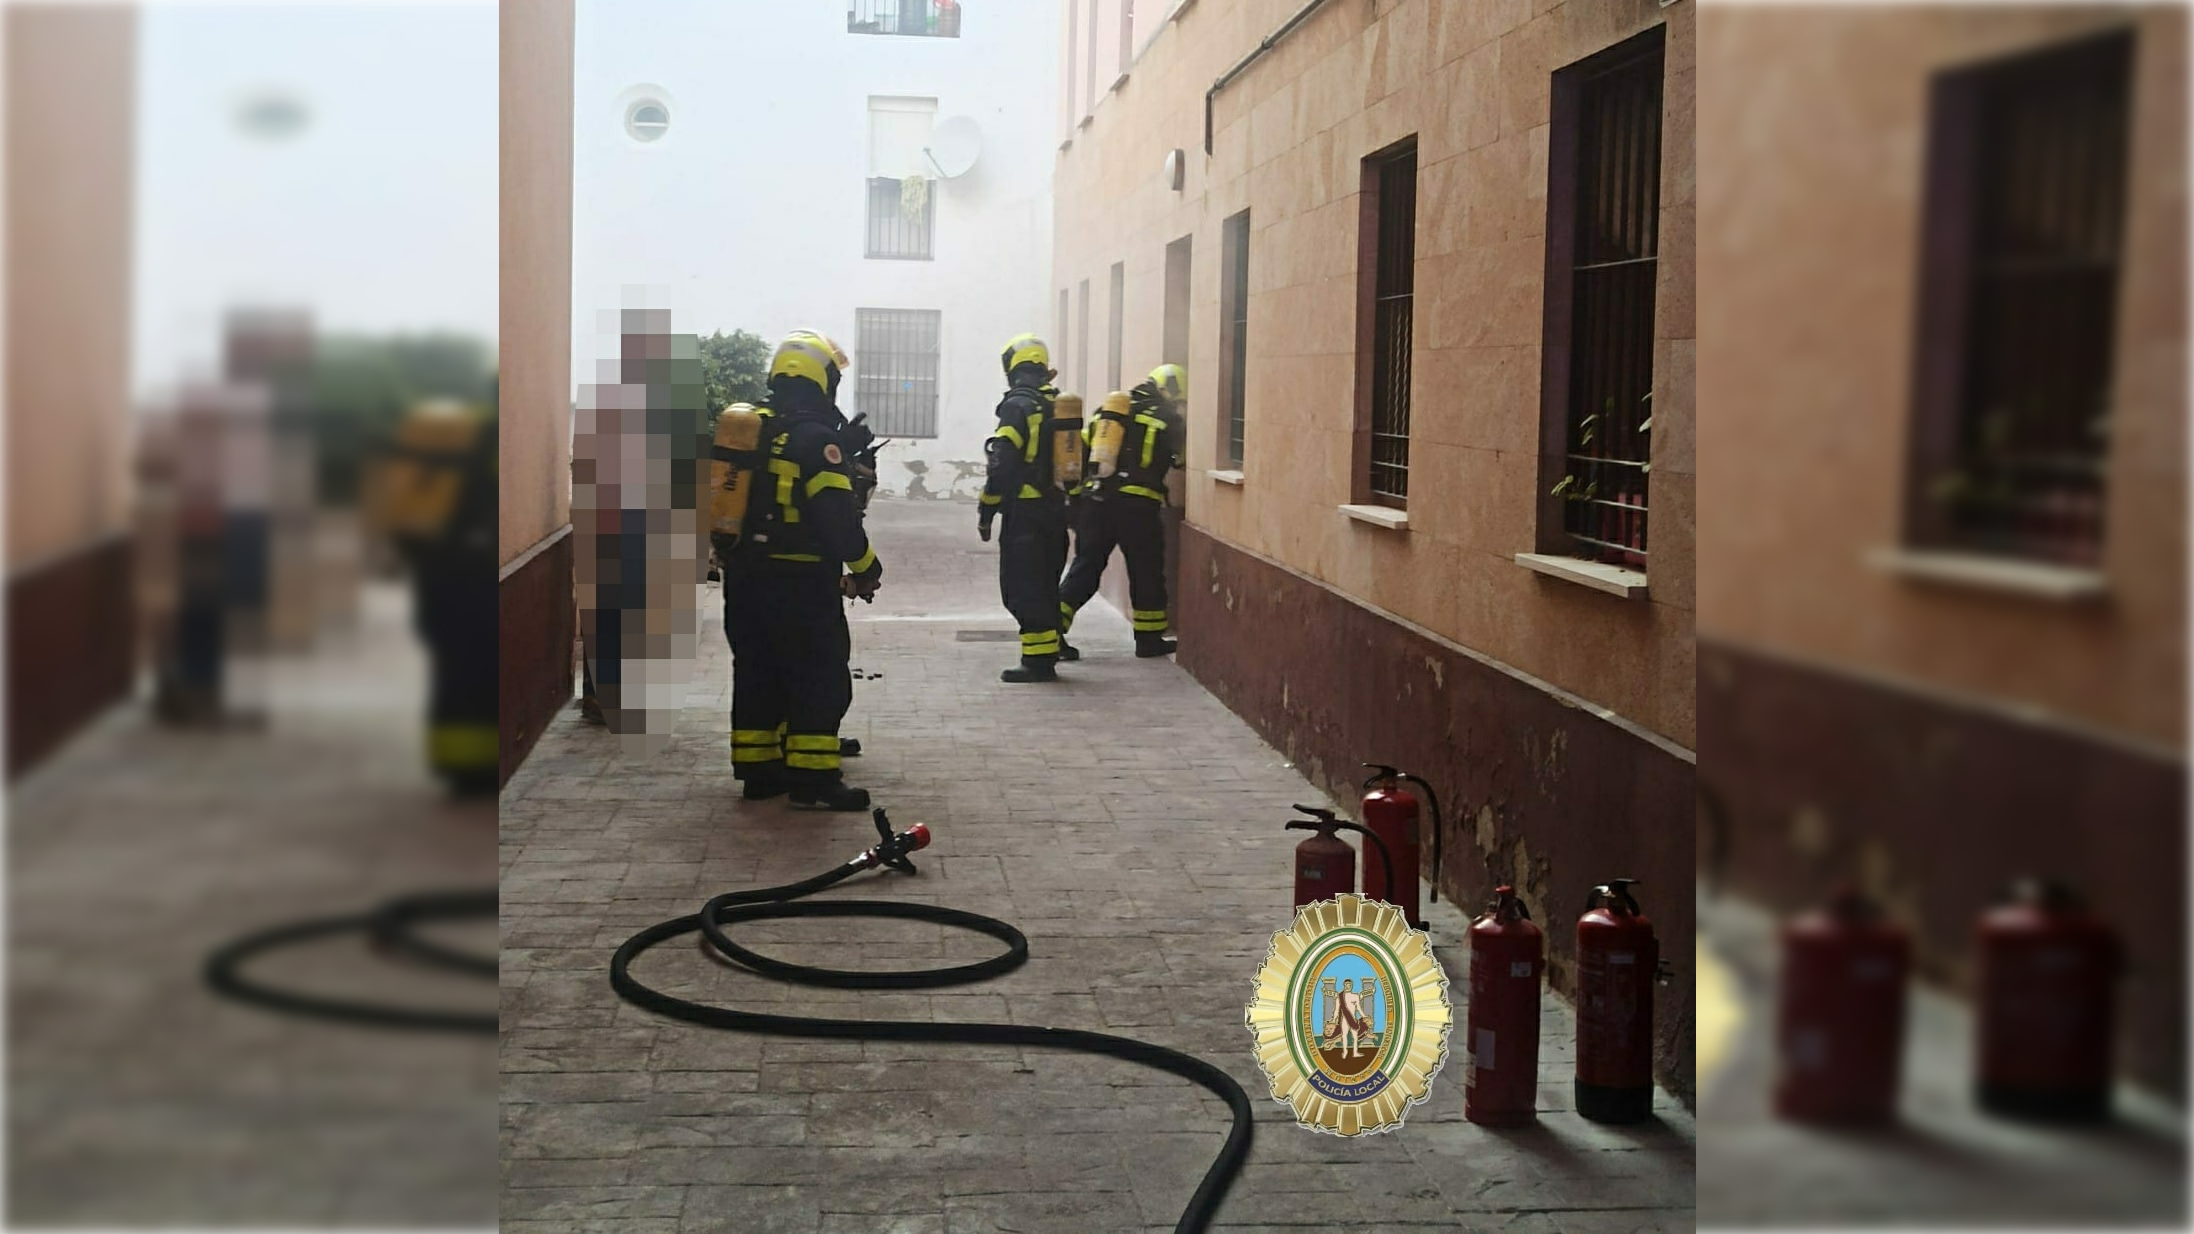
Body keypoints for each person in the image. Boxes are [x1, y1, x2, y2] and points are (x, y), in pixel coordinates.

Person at [721, 331, 882, 810]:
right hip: (799, 581)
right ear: (822, 380)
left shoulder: (752, 429)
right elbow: (837, 519)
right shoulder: (816, 440)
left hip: (744, 578)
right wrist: (867, 567)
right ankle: (814, 780)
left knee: (758, 672)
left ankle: (759, 773)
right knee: (817, 674)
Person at [1058, 364, 1184, 658]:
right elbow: (1180, 459)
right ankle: (1149, 640)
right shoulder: (1167, 418)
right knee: (1146, 571)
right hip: (1138, 509)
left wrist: (1075, 502)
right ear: (1170, 391)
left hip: (1096, 503)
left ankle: (1051, 632)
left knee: (1085, 568)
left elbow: (1082, 454)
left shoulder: (1108, 413)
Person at [979, 333, 1076, 682]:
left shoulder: (1017, 406)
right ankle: (1049, 650)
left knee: (1022, 587)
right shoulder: (1059, 405)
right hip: (1055, 511)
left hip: (1025, 514)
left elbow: (1002, 463)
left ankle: (1037, 662)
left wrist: (987, 509)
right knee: (1046, 582)